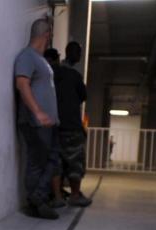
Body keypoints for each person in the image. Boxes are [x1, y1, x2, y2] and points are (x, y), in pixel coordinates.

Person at [14, 19, 62, 219]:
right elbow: (22, 84)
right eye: (50, 34)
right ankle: (36, 201)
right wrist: (38, 112)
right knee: (37, 161)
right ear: (47, 34)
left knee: (52, 159)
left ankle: (37, 198)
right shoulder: (27, 56)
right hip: (35, 122)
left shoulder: (40, 59)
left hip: (49, 123)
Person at [55, 41, 92, 207]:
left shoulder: (55, 72)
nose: (79, 56)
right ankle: (75, 195)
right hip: (72, 126)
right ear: (74, 54)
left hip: (55, 125)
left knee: (57, 162)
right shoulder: (75, 76)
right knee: (75, 162)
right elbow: (84, 96)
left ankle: (57, 196)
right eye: (78, 53)